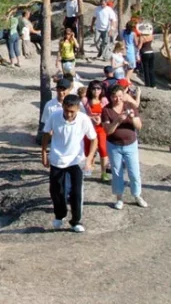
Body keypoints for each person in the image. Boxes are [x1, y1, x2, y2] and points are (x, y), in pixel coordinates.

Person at [42, 94, 98, 233]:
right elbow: (46, 134)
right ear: (63, 107)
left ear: (78, 109)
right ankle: (60, 215)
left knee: (76, 192)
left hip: (76, 160)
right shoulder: (55, 116)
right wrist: (44, 153)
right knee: (57, 191)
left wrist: (89, 158)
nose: (68, 114)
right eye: (66, 110)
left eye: (72, 111)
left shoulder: (84, 119)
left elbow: (93, 139)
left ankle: (76, 221)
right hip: (57, 159)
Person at [102, 84, 148, 209]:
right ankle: (119, 198)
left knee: (134, 172)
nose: (118, 99)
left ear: (124, 95)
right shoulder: (106, 110)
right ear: (110, 97)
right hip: (114, 145)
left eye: (120, 96)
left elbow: (139, 126)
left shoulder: (130, 106)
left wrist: (132, 118)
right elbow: (107, 131)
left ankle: (137, 195)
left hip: (130, 144)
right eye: (115, 97)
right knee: (117, 172)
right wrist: (117, 121)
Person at [83, 80, 110, 182]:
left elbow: (108, 114)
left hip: (101, 129)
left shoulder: (104, 101)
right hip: (88, 128)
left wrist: (101, 119)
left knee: (103, 149)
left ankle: (103, 173)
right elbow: (81, 114)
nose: (96, 91)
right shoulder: (85, 101)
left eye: (98, 88)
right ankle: (88, 168)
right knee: (87, 149)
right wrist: (90, 117)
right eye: (94, 88)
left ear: (101, 90)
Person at [137, 22, 156, 87]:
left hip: (144, 52)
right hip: (151, 52)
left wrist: (137, 52)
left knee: (146, 69)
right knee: (151, 69)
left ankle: (147, 84)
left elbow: (139, 46)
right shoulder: (151, 36)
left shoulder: (142, 37)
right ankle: (153, 84)